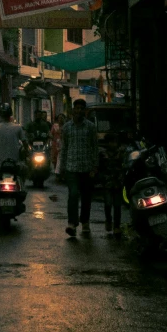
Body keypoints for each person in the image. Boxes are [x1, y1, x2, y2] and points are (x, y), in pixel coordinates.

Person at [60, 99, 98, 237]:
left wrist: (95, 167)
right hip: (71, 167)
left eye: (82, 108)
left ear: (85, 111)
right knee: (73, 194)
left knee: (86, 197)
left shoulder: (90, 127)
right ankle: (72, 223)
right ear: (73, 110)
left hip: (87, 168)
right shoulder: (66, 127)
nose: (79, 111)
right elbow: (64, 148)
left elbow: (95, 148)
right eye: (77, 108)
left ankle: (85, 222)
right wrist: (61, 167)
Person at [0, 104, 28, 190]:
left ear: (0, 114)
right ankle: (21, 188)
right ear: (10, 114)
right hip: (15, 165)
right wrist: (26, 154)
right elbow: (25, 144)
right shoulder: (18, 128)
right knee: (25, 169)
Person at [98, 132, 126, 236]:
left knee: (117, 205)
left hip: (118, 182)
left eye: (114, 142)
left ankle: (117, 226)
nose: (113, 144)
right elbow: (100, 168)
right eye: (111, 142)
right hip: (107, 182)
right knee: (108, 204)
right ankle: (109, 221)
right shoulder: (103, 154)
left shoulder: (121, 153)